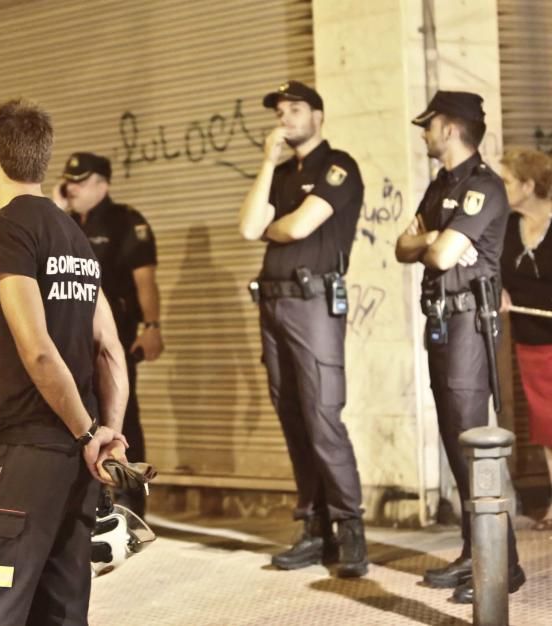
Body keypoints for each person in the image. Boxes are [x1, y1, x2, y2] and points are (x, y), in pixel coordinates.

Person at [0, 98, 129, 625]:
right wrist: (107, 435)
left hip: (22, 452)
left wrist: (84, 432)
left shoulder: (6, 229)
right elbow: (110, 350)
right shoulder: (74, 235)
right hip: (75, 465)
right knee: (61, 608)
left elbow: (36, 347)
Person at [396, 90, 526, 602]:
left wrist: (434, 240)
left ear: (449, 128)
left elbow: (441, 255)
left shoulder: (484, 188)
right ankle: (476, 553)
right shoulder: (442, 185)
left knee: (475, 447)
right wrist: (432, 241)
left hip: (469, 324)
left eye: (429, 126)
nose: (424, 134)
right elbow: (403, 246)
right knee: (456, 443)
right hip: (442, 324)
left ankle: (504, 565)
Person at [237, 80, 368, 578]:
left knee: (323, 418)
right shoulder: (281, 172)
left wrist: (277, 223)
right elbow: (250, 227)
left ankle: (350, 528)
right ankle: (314, 529)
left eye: (295, 109)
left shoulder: (338, 167)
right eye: (280, 112)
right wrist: (267, 164)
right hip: (272, 305)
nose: (285, 119)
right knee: (292, 416)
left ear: (318, 115)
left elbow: (293, 228)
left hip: (313, 304)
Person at [55, 151, 163, 517]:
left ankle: (132, 501)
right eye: (69, 181)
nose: (72, 188)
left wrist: (151, 327)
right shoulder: (62, 222)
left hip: (113, 337)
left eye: (81, 182)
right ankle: (93, 497)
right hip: (69, 341)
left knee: (122, 415)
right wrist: (54, 207)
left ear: (103, 184)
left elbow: (145, 280)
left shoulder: (124, 222)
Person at [499, 148, 552, 530]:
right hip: (530, 341)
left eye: (506, 181)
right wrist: (499, 290)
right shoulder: (506, 225)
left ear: (529, 185)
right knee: (546, 426)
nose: (500, 188)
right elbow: (490, 267)